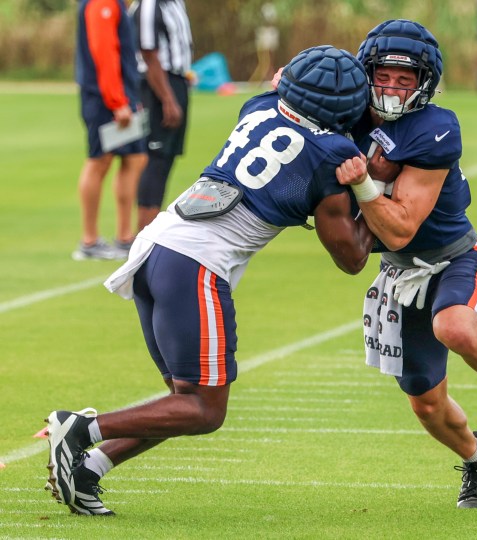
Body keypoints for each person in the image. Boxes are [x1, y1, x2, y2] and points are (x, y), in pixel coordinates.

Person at [44, 45, 375, 516]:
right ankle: (81, 429)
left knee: (182, 404)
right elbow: (352, 258)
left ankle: (88, 469)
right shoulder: (334, 155)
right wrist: (367, 185)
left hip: (155, 245)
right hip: (195, 265)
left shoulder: (258, 105)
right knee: (203, 410)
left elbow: (278, 90)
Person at [335, 19, 477, 508]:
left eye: (405, 79)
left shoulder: (435, 126)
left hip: (455, 257)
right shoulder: (347, 113)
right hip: (400, 274)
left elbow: (399, 226)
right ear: (366, 74)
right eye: (384, 76)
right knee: (427, 405)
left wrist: (362, 184)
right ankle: (476, 457)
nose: (393, 88)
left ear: (424, 83)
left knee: (456, 328)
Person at [73, 0, 147, 260]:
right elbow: (103, 51)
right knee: (99, 161)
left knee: (135, 158)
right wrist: (118, 102)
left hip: (121, 96)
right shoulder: (102, 2)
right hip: (104, 99)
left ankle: (125, 237)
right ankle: (89, 241)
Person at [129, 0, 193, 231]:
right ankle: (144, 235)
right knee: (155, 157)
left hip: (176, 80)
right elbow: (148, 52)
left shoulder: (174, 3)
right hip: (158, 85)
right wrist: (167, 98)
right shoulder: (149, 4)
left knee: (166, 158)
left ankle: (151, 230)